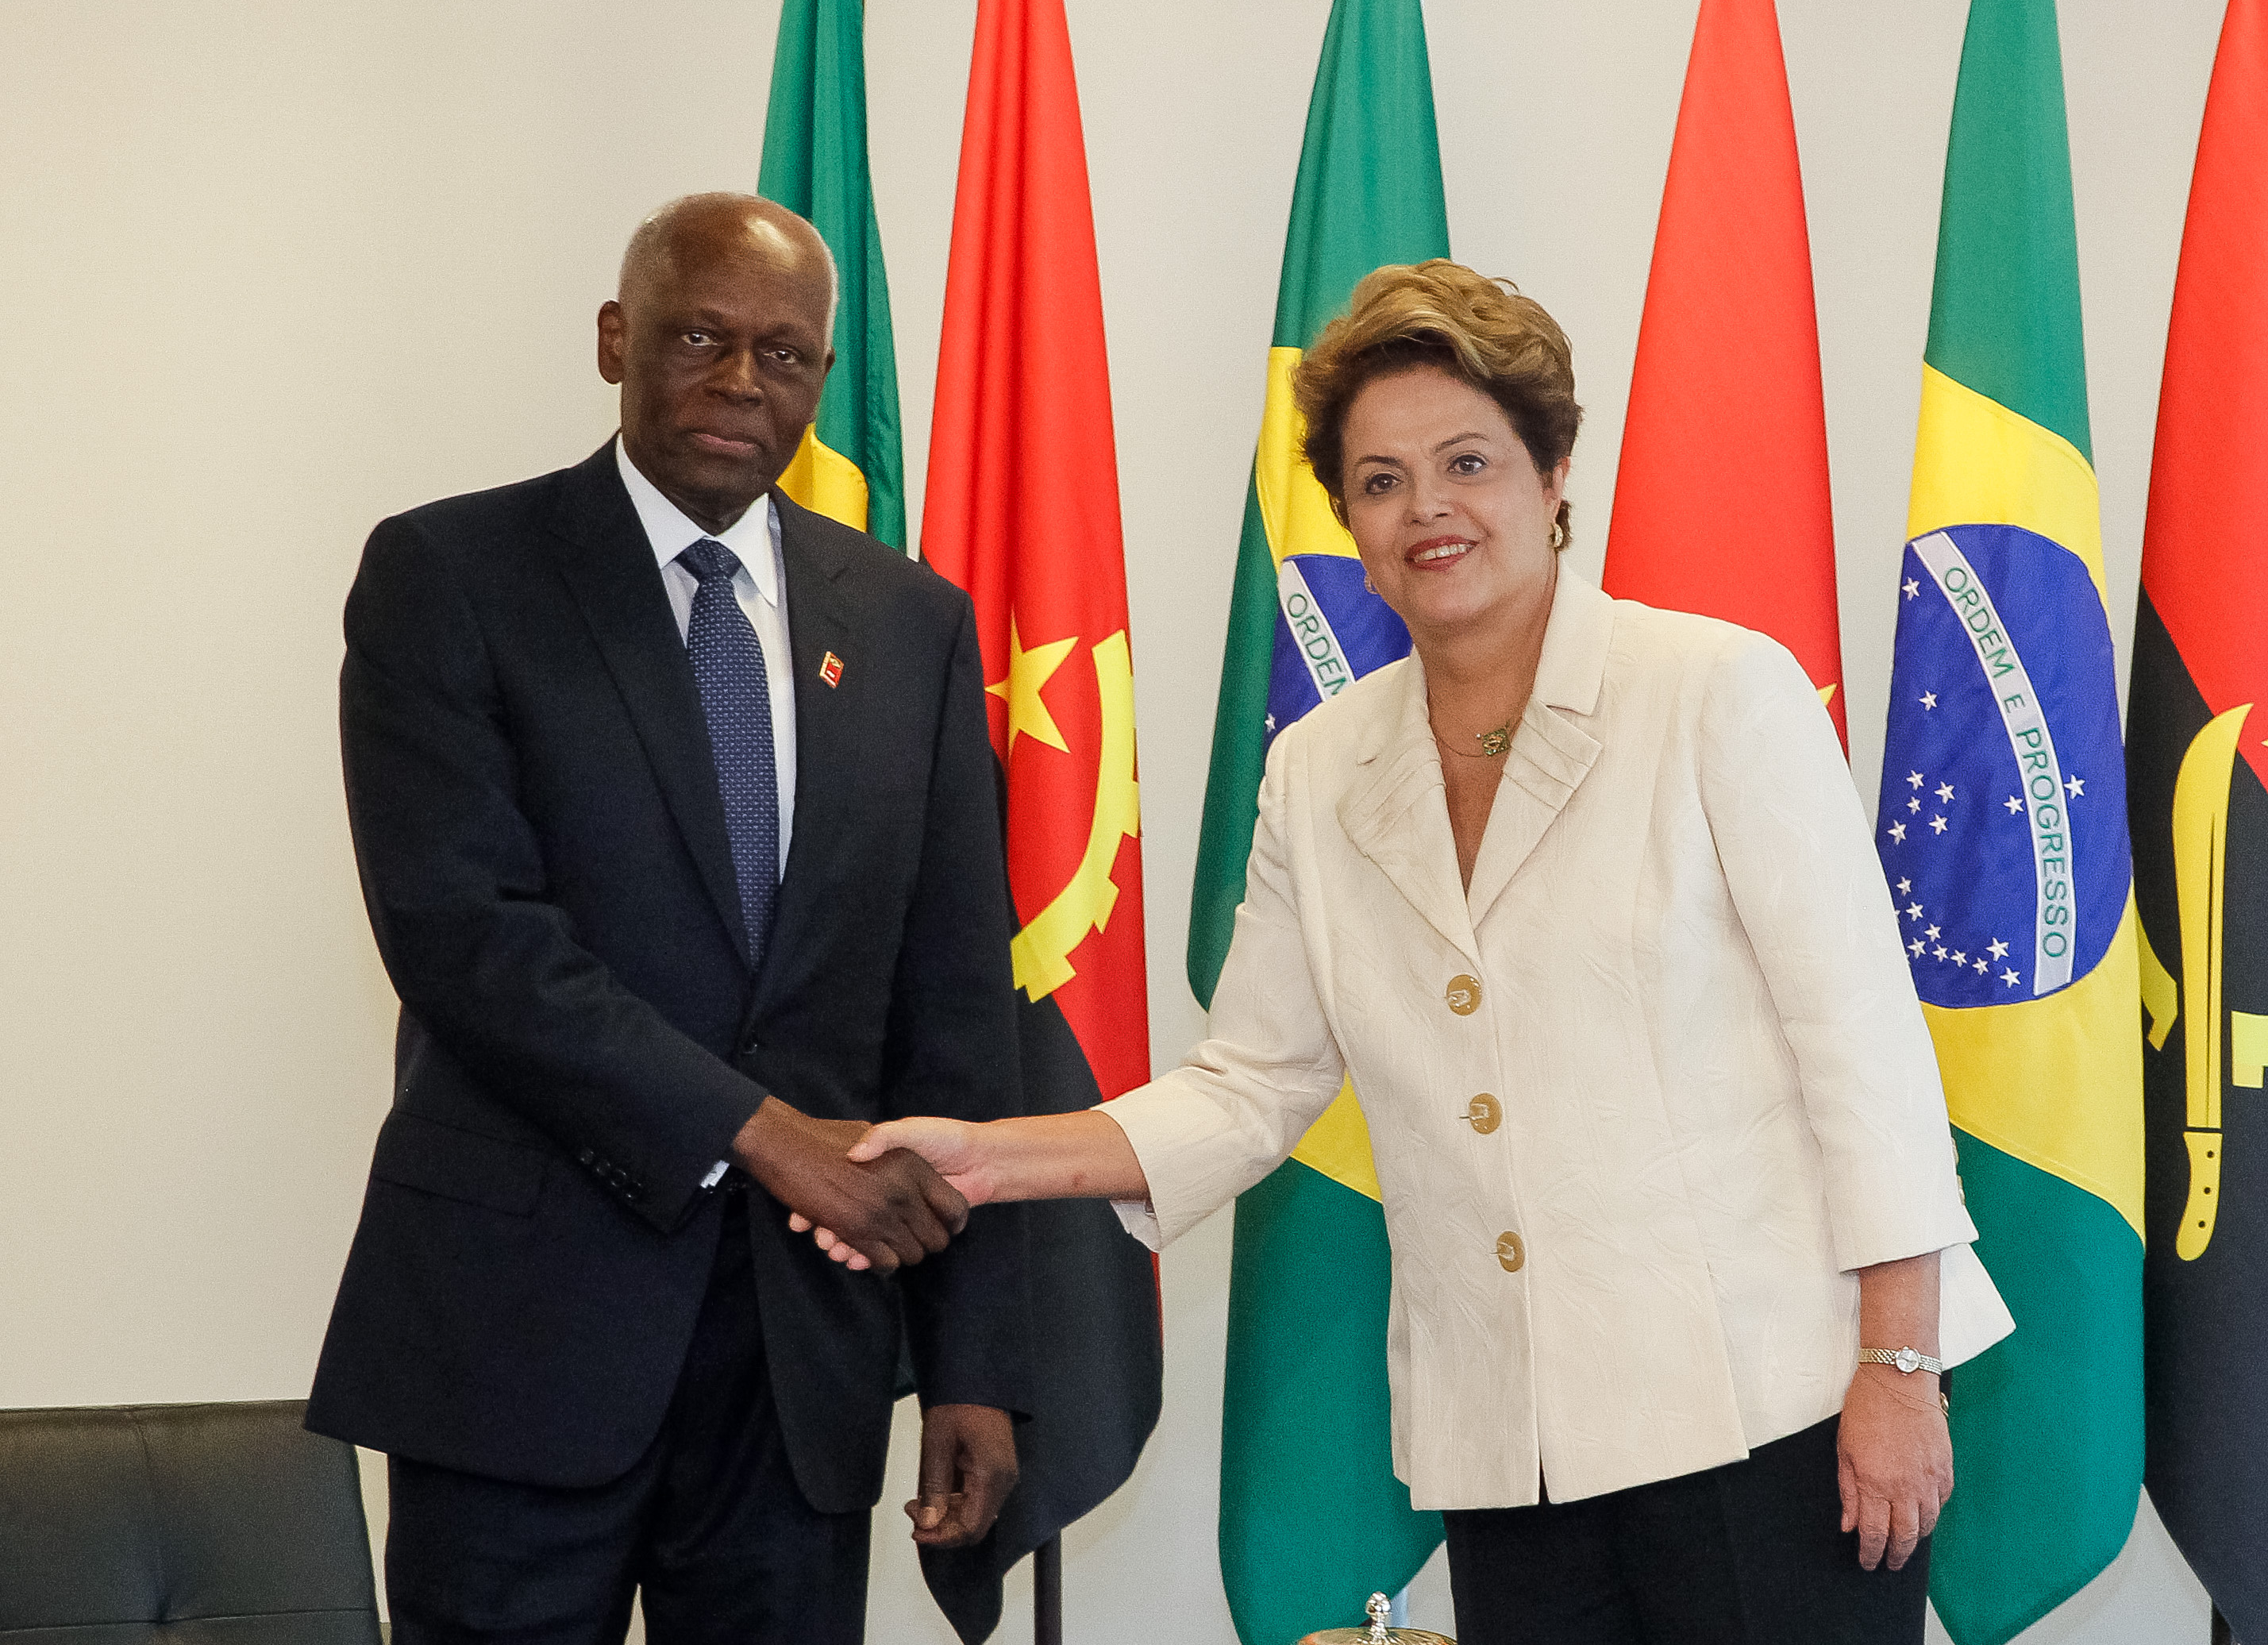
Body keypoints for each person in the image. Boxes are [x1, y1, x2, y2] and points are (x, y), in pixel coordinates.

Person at [801, 259, 2014, 1644]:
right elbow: (1250, 1084)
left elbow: (1861, 1048)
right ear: (1349, 523)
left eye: (1466, 462)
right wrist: (985, 1158)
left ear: (1553, 475)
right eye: (1379, 481)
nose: (1426, 507)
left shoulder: (1714, 691)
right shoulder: (1318, 769)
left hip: (1772, 1416)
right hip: (1506, 1445)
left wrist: (1899, 1365)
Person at [306, 193, 1029, 1645]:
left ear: (820, 379)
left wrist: (975, 1364)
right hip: (519, 1336)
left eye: (784, 354)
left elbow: (952, 1002)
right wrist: (763, 1135)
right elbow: (467, 938)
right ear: (614, 339)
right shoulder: (452, 575)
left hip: (800, 1363)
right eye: (700, 338)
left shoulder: (913, 625)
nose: (741, 382)